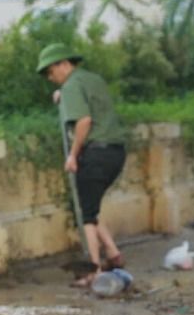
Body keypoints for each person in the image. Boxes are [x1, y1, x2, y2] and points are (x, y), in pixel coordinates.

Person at [37, 43, 127, 286]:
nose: (50, 77)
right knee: (91, 207)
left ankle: (93, 270)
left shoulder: (71, 86)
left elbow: (84, 121)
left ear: (64, 64)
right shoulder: (90, 79)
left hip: (94, 154)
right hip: (116, 152)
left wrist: (73, 156)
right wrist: (62, 95)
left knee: (86, 214)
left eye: (51, 71)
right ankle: (114, 254)